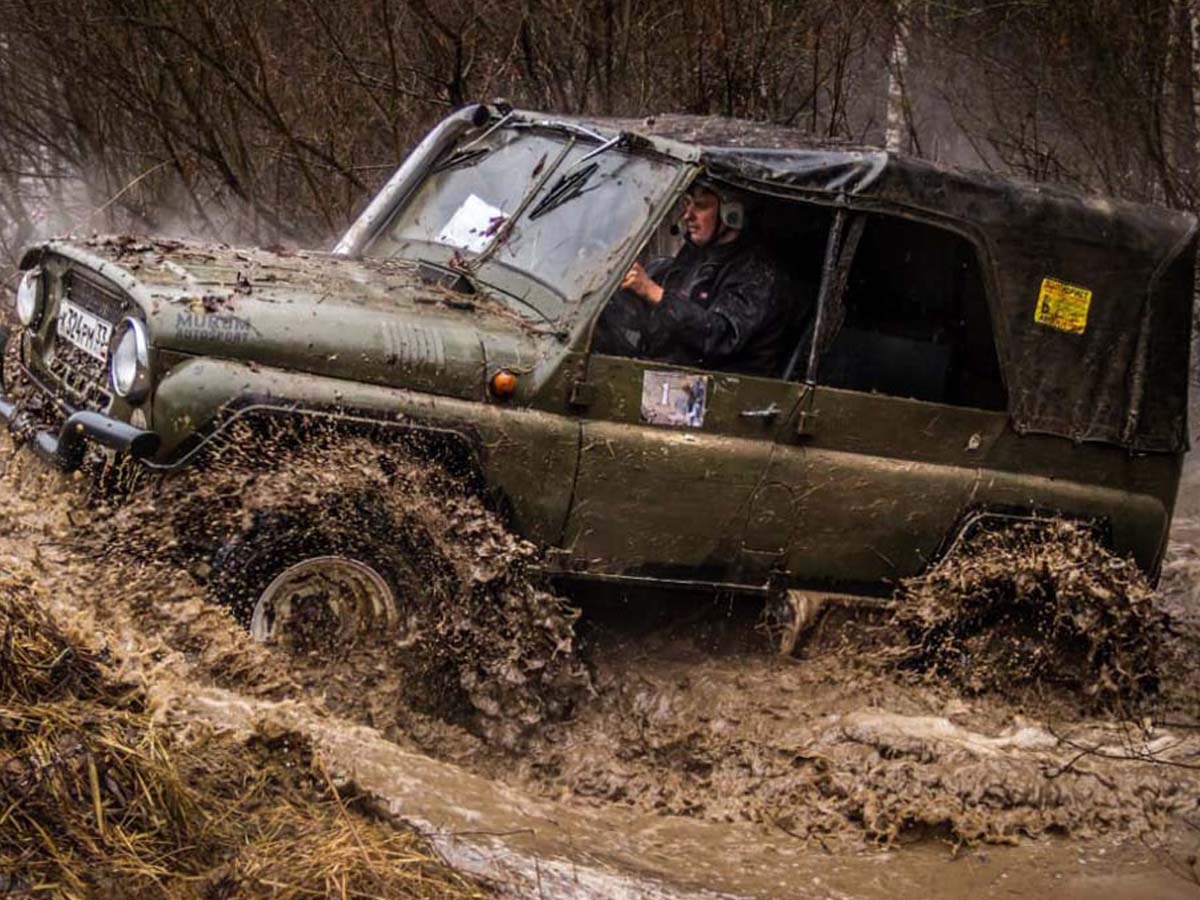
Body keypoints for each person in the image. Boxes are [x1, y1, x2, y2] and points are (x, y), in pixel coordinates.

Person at [594, 181, 791, 377]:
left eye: (701, 205)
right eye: (688, 203)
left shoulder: (757, 273)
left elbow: (720, 336)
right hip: (671, 377)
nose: (688, 215)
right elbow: (650, 320)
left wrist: (654, 293)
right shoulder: (693, 257)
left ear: (732, 213)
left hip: (722, 393)